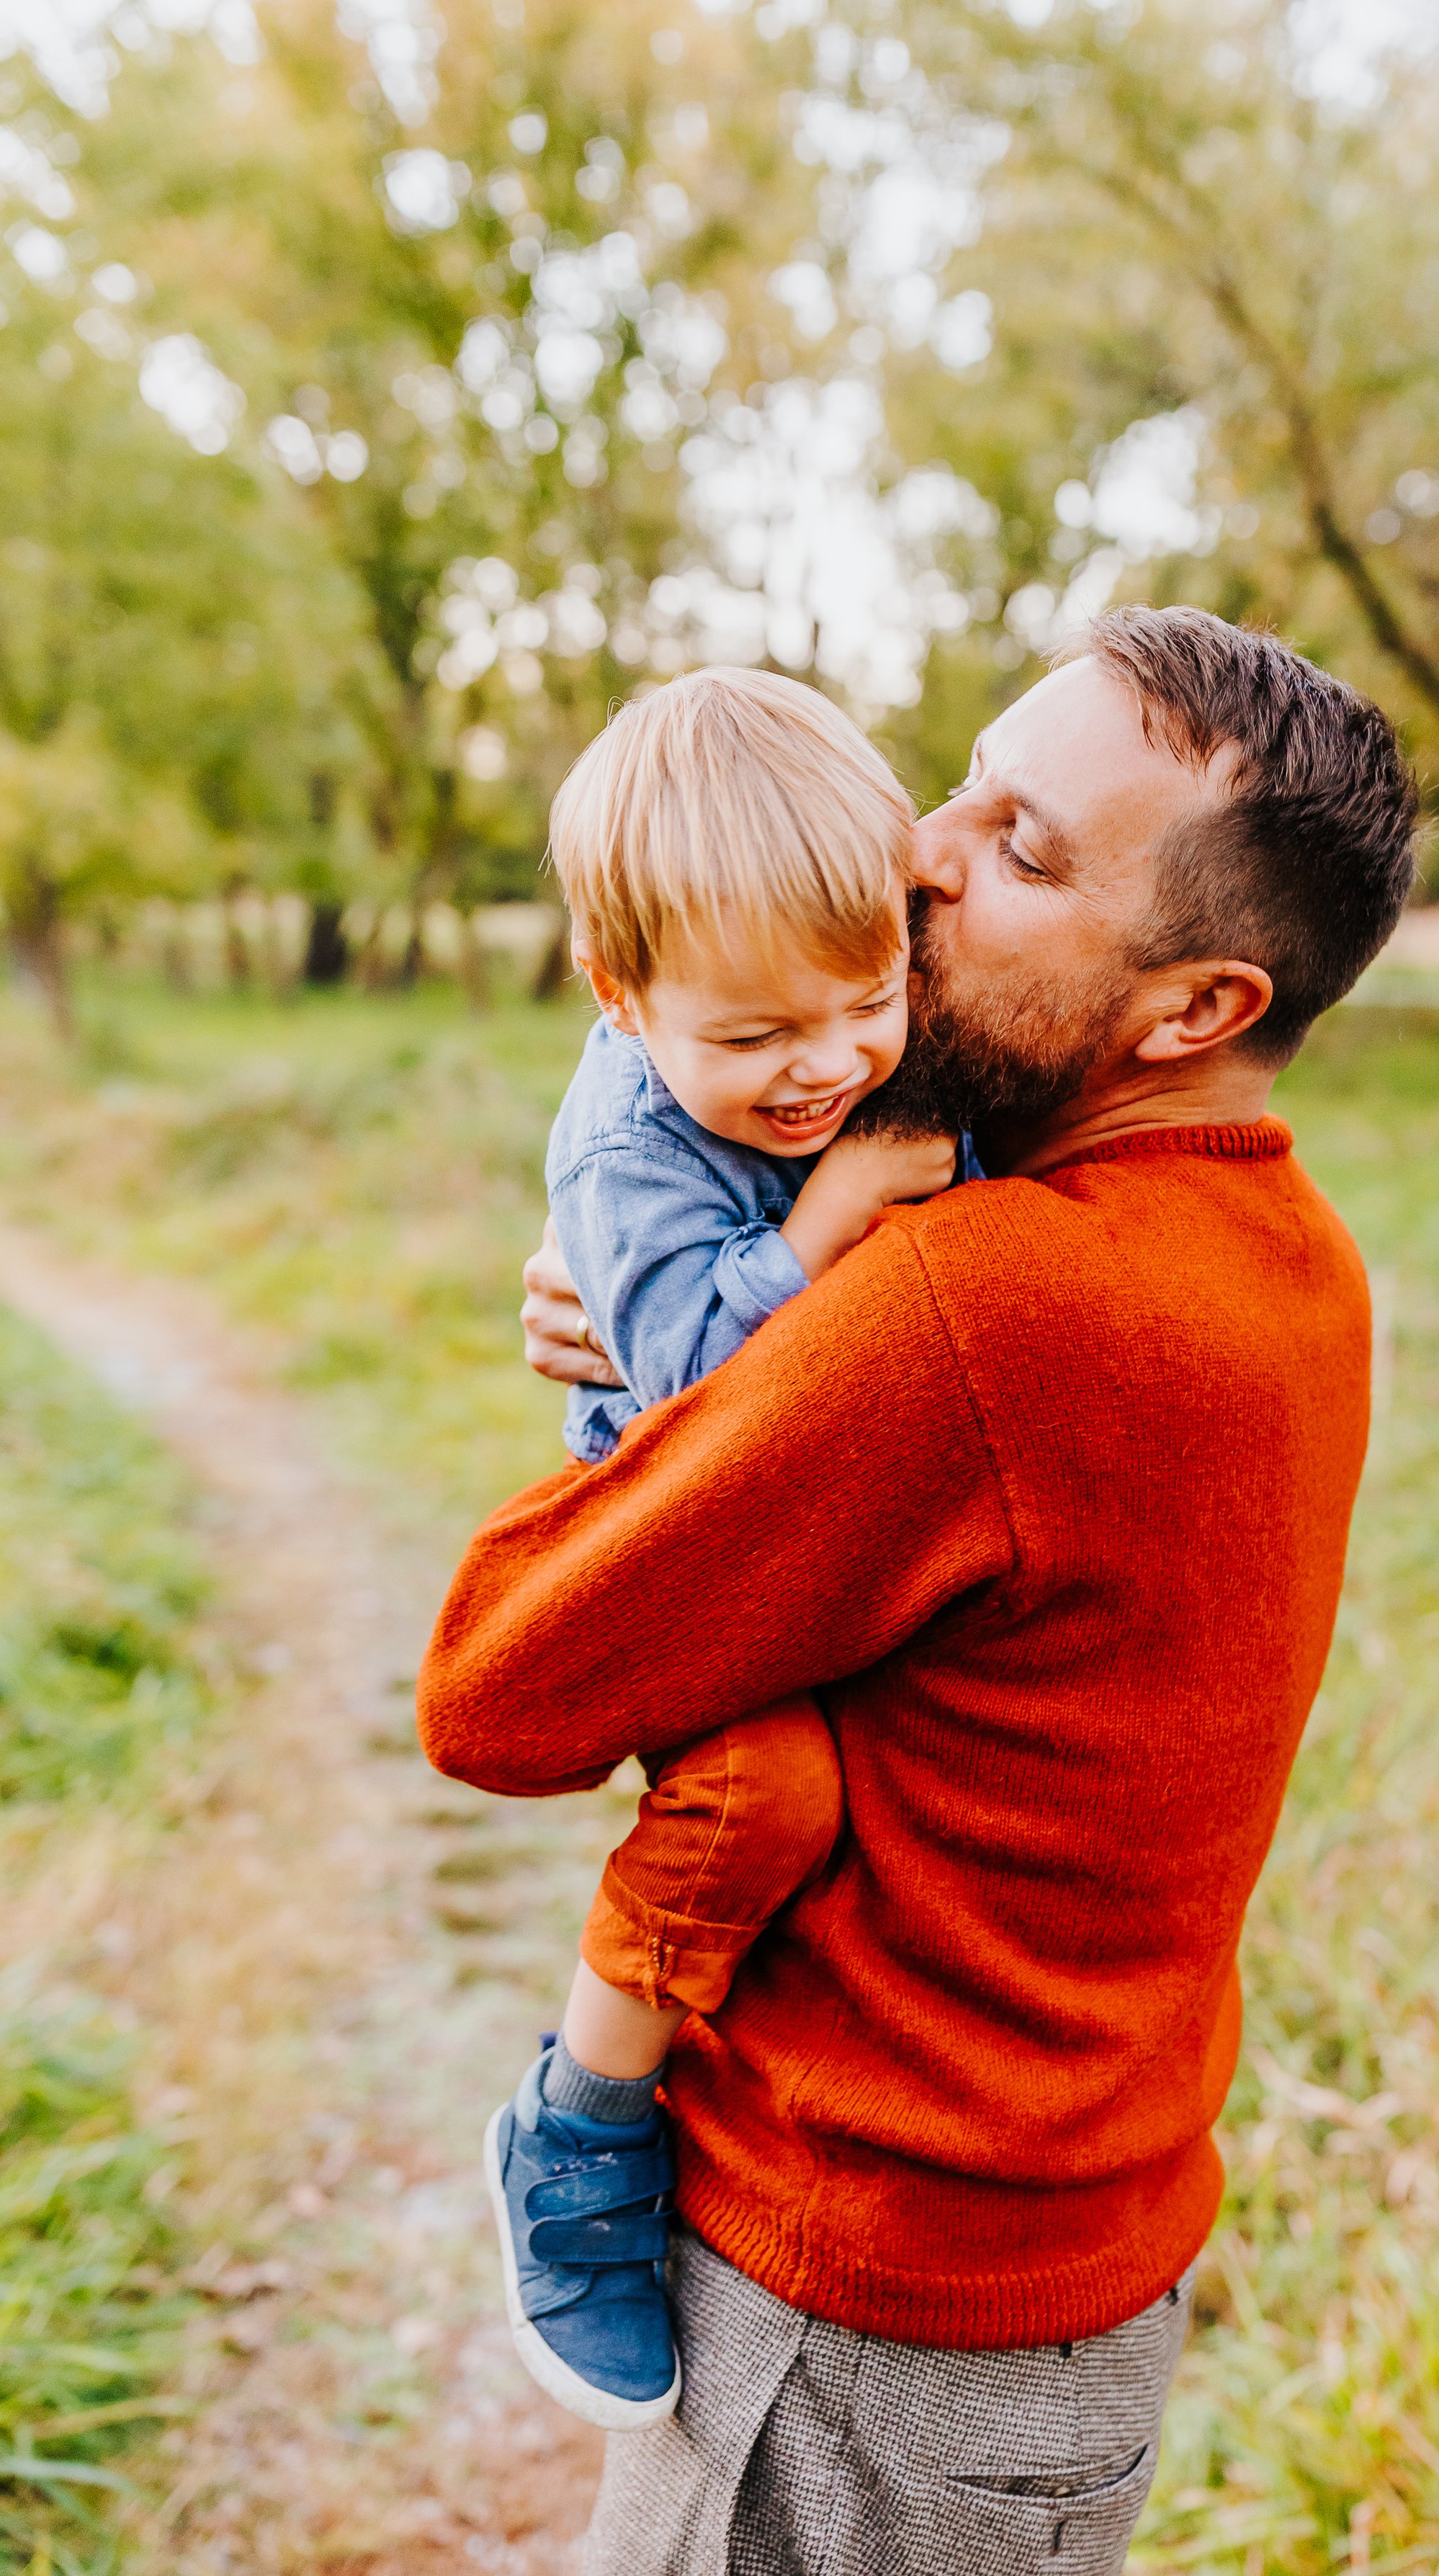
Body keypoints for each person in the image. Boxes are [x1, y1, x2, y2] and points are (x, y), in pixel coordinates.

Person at [421, 606, 1419, 2576]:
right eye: (963, 785)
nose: (930, 855)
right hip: (1069, 2293)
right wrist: (717, 1364)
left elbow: (497, 1679)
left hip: (854, 2328)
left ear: (1197, 1002)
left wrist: (680, 1400)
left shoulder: (972, 1310)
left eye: (1029, 848)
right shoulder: (1289, 1254)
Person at [486, 668, 968, 2432]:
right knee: (755, 1794)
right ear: (621, 1001)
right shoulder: (620, 1143)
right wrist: (829, 1225)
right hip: (685, 1522)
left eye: (864, 1002)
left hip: (829, 1516)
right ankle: (578, 2127)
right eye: (752, 1039)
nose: (824, 1067)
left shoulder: (864, 1026)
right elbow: (691, 1373)